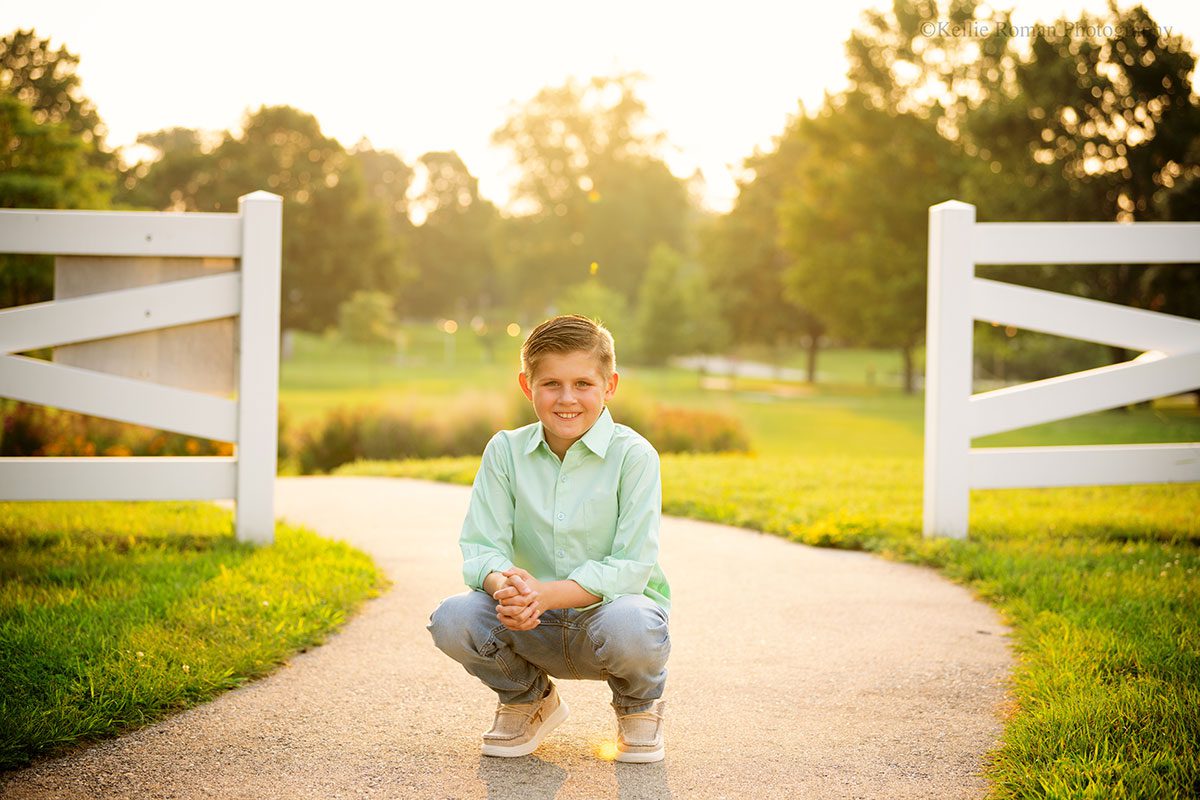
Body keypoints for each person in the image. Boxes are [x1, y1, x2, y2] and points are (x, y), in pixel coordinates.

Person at [426, 314, 672, 763]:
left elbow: (632, 565)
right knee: (452, 618)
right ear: (527, 386)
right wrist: (508, 588)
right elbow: (482, 548)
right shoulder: (504, 450)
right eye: (551, 384)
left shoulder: (633, 456)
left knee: (634, 623)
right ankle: (528, 698)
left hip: (606, 619)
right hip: (526, 621)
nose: (567, 399)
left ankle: (637, 707)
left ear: (610, 385)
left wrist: (544, 594)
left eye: (583, 384)